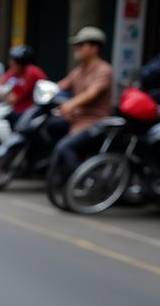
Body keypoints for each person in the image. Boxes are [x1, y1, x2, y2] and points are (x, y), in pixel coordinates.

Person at [47, 27, 115, 188]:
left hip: (94, 122)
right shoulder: (79, 70)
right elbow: (61, 86)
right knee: (50, 126)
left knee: (65, 147)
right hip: (75, 118)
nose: (77, 49)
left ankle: (83, 182)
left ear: (94, 48)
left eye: (81, 45)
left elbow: (91, 93)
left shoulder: (104, 70)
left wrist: (71, 103)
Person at [0, 44, 47, 124]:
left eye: (14, 61)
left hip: (27, 113)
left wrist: (3, 94)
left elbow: (13, 99)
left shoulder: (33, 73)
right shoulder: (13, 72)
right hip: (12, 110)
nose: (11, 63)